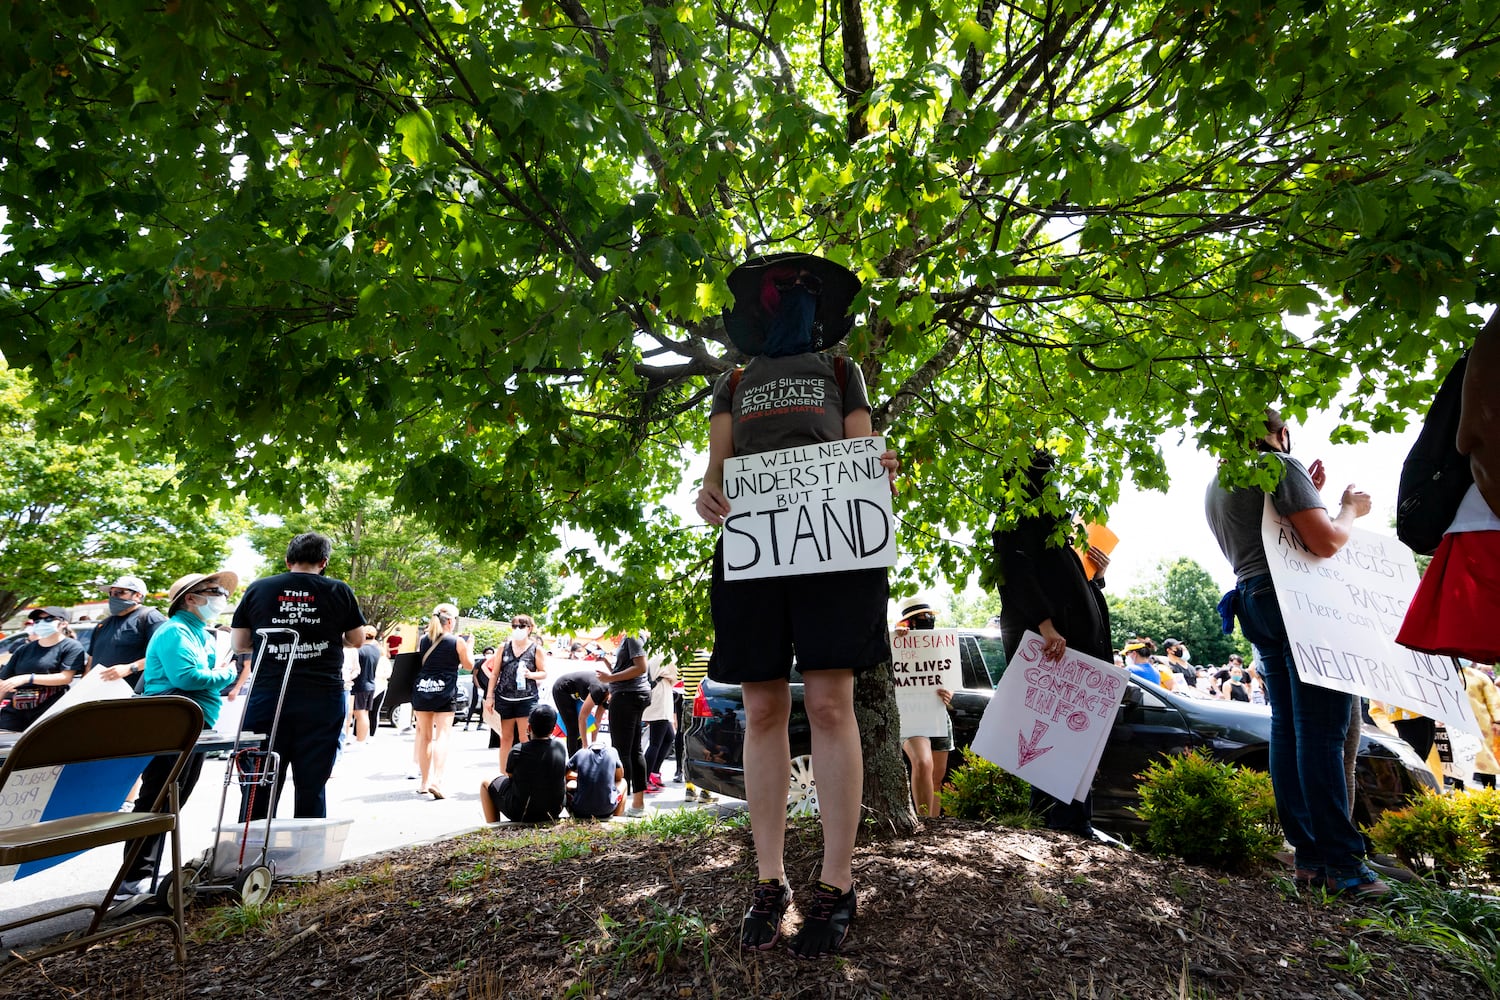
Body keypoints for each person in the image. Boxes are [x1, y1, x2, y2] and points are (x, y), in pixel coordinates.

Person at [695, 252, 899, 957]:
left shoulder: (845, 373)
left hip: (834, 555)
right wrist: (707, 495)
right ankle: (770, 878)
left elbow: (862, 452)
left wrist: (879, 467)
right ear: (762, 306)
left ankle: (837, 883)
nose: (796, 302)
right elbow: (715, 472)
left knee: (831, 704)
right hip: (754, 555)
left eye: (808, 293)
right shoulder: (734, 382)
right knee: (761, 708)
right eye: (786, 292)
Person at [1205, 408, 1388, 898]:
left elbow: (1279, 536)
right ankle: (1343, 863)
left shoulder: (1219, 483)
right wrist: (1348, 508)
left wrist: (1312, 494)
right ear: (1280, 433)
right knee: (1322, 732)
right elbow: (1325, 542)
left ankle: (1309, 856)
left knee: (1289, 728)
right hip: (1297, 606)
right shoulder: (1280, 467)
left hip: (1254, 600)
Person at [992, 451, 1113, 839]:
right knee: (1051, 734)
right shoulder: (1016, 517)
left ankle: (1077, 820)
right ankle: (1056, 822)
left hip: (1074, 644)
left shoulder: (1057, 527)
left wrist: (1097, 574)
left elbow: (1070, 584)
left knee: (1075, 737)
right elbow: (1017, 573)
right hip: (1053, 646)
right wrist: (1045, 624)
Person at [112, 571, 242, 909]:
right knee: (157, 800)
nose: (221, 598)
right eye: (214, 592)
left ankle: (143, 875)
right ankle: (132, 879)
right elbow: (188, 677)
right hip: (172, 725)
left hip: (194, 727)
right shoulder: (175, 631)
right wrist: (228, 673)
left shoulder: (199, 632)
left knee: (173, 801)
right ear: (190, 598)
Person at [231, 531, 366, 820]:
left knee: (259, 782)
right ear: (324, 562)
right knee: (312, 784)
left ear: (287, 559)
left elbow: (240, 645)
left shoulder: (258, 589)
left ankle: (251, 855)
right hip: (321, 699)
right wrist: (327, 638)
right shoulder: (339, 590)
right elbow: (357, 639)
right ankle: (307, 859)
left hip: (269, 696)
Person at [892, 596, 955, 818]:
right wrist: (898, 636)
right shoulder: (897, 642)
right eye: (922, 617)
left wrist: (949, 694)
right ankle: (922, 820)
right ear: (909, 622)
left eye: (930, 616)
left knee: (937, 775)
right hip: (911, 716)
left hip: (938, 715)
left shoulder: (941, 643)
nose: (928, 619)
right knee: (922, 762)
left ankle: (933, 825)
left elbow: (950, 678)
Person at [412, 604, 471, 798]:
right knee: (442, 735)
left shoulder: (423, 640)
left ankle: (424, 782)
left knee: (425, 738)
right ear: (451, 621)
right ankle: (437, 780)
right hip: (444, 689)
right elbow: (469, 666)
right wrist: (469, 646)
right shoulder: (457, 641)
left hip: (422, 689)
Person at [0, 607, 86, 732]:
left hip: (49, 707)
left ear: (63, 623)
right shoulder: (24, 649)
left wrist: (28, 678)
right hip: (19, 705)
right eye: (38, 620)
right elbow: (3, 681)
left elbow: (65, 677)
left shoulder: (71, 646)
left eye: (49, 619)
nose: (42, 623)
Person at [480, 703, 567, 823]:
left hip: (521, 812)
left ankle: (494, 825)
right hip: (554, 810)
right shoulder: (560, 747)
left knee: (485, 783)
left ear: (529, 728)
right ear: (553, 729)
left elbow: (510, 776)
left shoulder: (518, 750)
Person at [596, 634, 653, 817]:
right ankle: (637, 804)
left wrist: (610, 679)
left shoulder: (632, 635)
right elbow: (625, 669)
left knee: (622, 752)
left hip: (627, 696)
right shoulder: (630, 636)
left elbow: (641, 667)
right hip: (632, 694)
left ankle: (621, 804)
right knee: (634, 750)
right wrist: (607, 666)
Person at [485, 614, 548, 775]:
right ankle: (504, 774)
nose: (517, 629)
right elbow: (494, 674)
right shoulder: (503, 648)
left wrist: (530, 674)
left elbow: (543, 673)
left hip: (526, 698)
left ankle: (526, 773)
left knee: (525, 736)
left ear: (529, 628)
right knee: (505, 737)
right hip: (504, 697)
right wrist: (489, 696)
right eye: (514, 626)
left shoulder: (536, 649)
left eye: (521, 626)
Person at [86, 575, 167, 687]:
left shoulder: (150, 618)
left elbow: (166, 654)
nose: (113, 597)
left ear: (138, 595)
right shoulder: (103, 624)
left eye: (119, 592)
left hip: (133, 695)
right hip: (99, 692)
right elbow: (91, 660)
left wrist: (131, 668)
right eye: (111, 593)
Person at [552, 668, 610, 756]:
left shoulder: (609, 698)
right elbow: (583, 718)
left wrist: (594, 744)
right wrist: (586, 746)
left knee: (579, 730)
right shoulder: (599, 689)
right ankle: (573, 762)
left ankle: (580, 757)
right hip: (562, 689)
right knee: (573, 728)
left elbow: (597, 721)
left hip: (576, 693)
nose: (607, 704)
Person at [642, 655, 679, 790]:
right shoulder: (667, 653)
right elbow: (676, 674)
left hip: (657, 695)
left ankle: (653, 772)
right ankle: (644, 779)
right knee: (656, 742)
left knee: (669, 738)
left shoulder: (653, 651)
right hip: (661, 698)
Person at [565, 740, 626, 820]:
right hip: (607, 809)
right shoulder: (612, 751)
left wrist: (583, 775)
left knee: (569, 783)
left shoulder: (581, 753)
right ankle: (617, 818)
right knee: (623, 782)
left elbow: (566, 774)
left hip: (580, 809)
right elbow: (619, 776)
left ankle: (571, 816)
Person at [350, 626, 381, 745]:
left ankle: (360, 739)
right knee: (365, 713)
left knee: (359, 713)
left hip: (360, 684)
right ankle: (362, 738)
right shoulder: (376, 650)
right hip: (371, 684)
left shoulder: (360, 650)